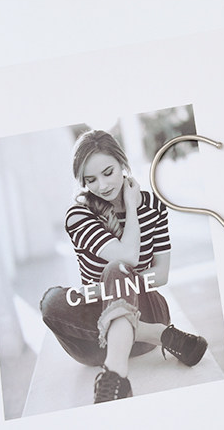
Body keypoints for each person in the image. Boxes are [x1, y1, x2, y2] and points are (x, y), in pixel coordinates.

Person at [40, 129, 207, 403]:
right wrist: (111, 293)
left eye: (108, 172)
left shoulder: (153, 205)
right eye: (91, 180)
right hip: (98, 338)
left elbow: (159, 274)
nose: (102, 185)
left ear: (122, 163)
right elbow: (132, 259)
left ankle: (115, 375)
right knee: (51, 302)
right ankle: (162, 336)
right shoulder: (79, 215)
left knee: (116, 270)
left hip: (148, 311)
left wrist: (131, 206)